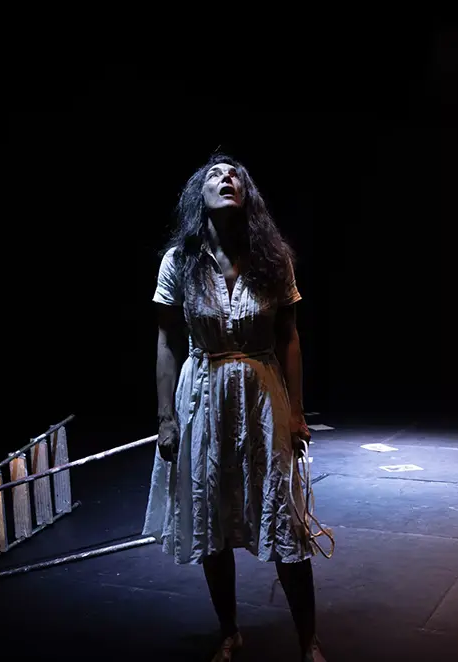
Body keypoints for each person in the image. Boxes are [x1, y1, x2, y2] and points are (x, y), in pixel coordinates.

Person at [142, 153, 326, 662]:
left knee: (285, 517)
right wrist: (166, 418)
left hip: (261, 396)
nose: (226, 178)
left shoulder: (271, 258)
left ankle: (308, 640)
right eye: (215, 174)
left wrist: (296, 412)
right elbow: (166, 340)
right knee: (212, 519)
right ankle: (229, 631)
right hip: (202, 395)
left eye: (235, 175)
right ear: (197, 195)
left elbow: (290, 337)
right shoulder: (180, 261)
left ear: (247, 195)